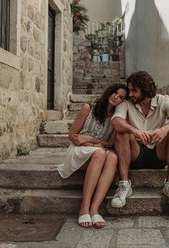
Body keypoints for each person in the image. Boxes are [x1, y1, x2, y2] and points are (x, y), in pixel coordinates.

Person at [110, 71, 169, 209]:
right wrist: (135, 131)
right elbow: (115, 121)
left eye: (134, 90)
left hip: (159, 153)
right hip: (135, 154)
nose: (130, 93)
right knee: (121, 132)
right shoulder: (126, 103)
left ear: (145, 89)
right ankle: (124, 185)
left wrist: (164, 129)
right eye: (130, 90)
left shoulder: (164, 100)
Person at [57, 83, 128, 228]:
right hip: (79, 151)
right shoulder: (88, 108)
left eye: (121, 97)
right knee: (101, 153)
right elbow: (72, 136)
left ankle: (94, 209)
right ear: (109, 91)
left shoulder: (116, 119)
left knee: (112, 156)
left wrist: (90, 139)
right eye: (115, 93)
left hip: (97, 150)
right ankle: (84, 206)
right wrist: (92, 145)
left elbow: (109, 142)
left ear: (122, 102)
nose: (116, 97)